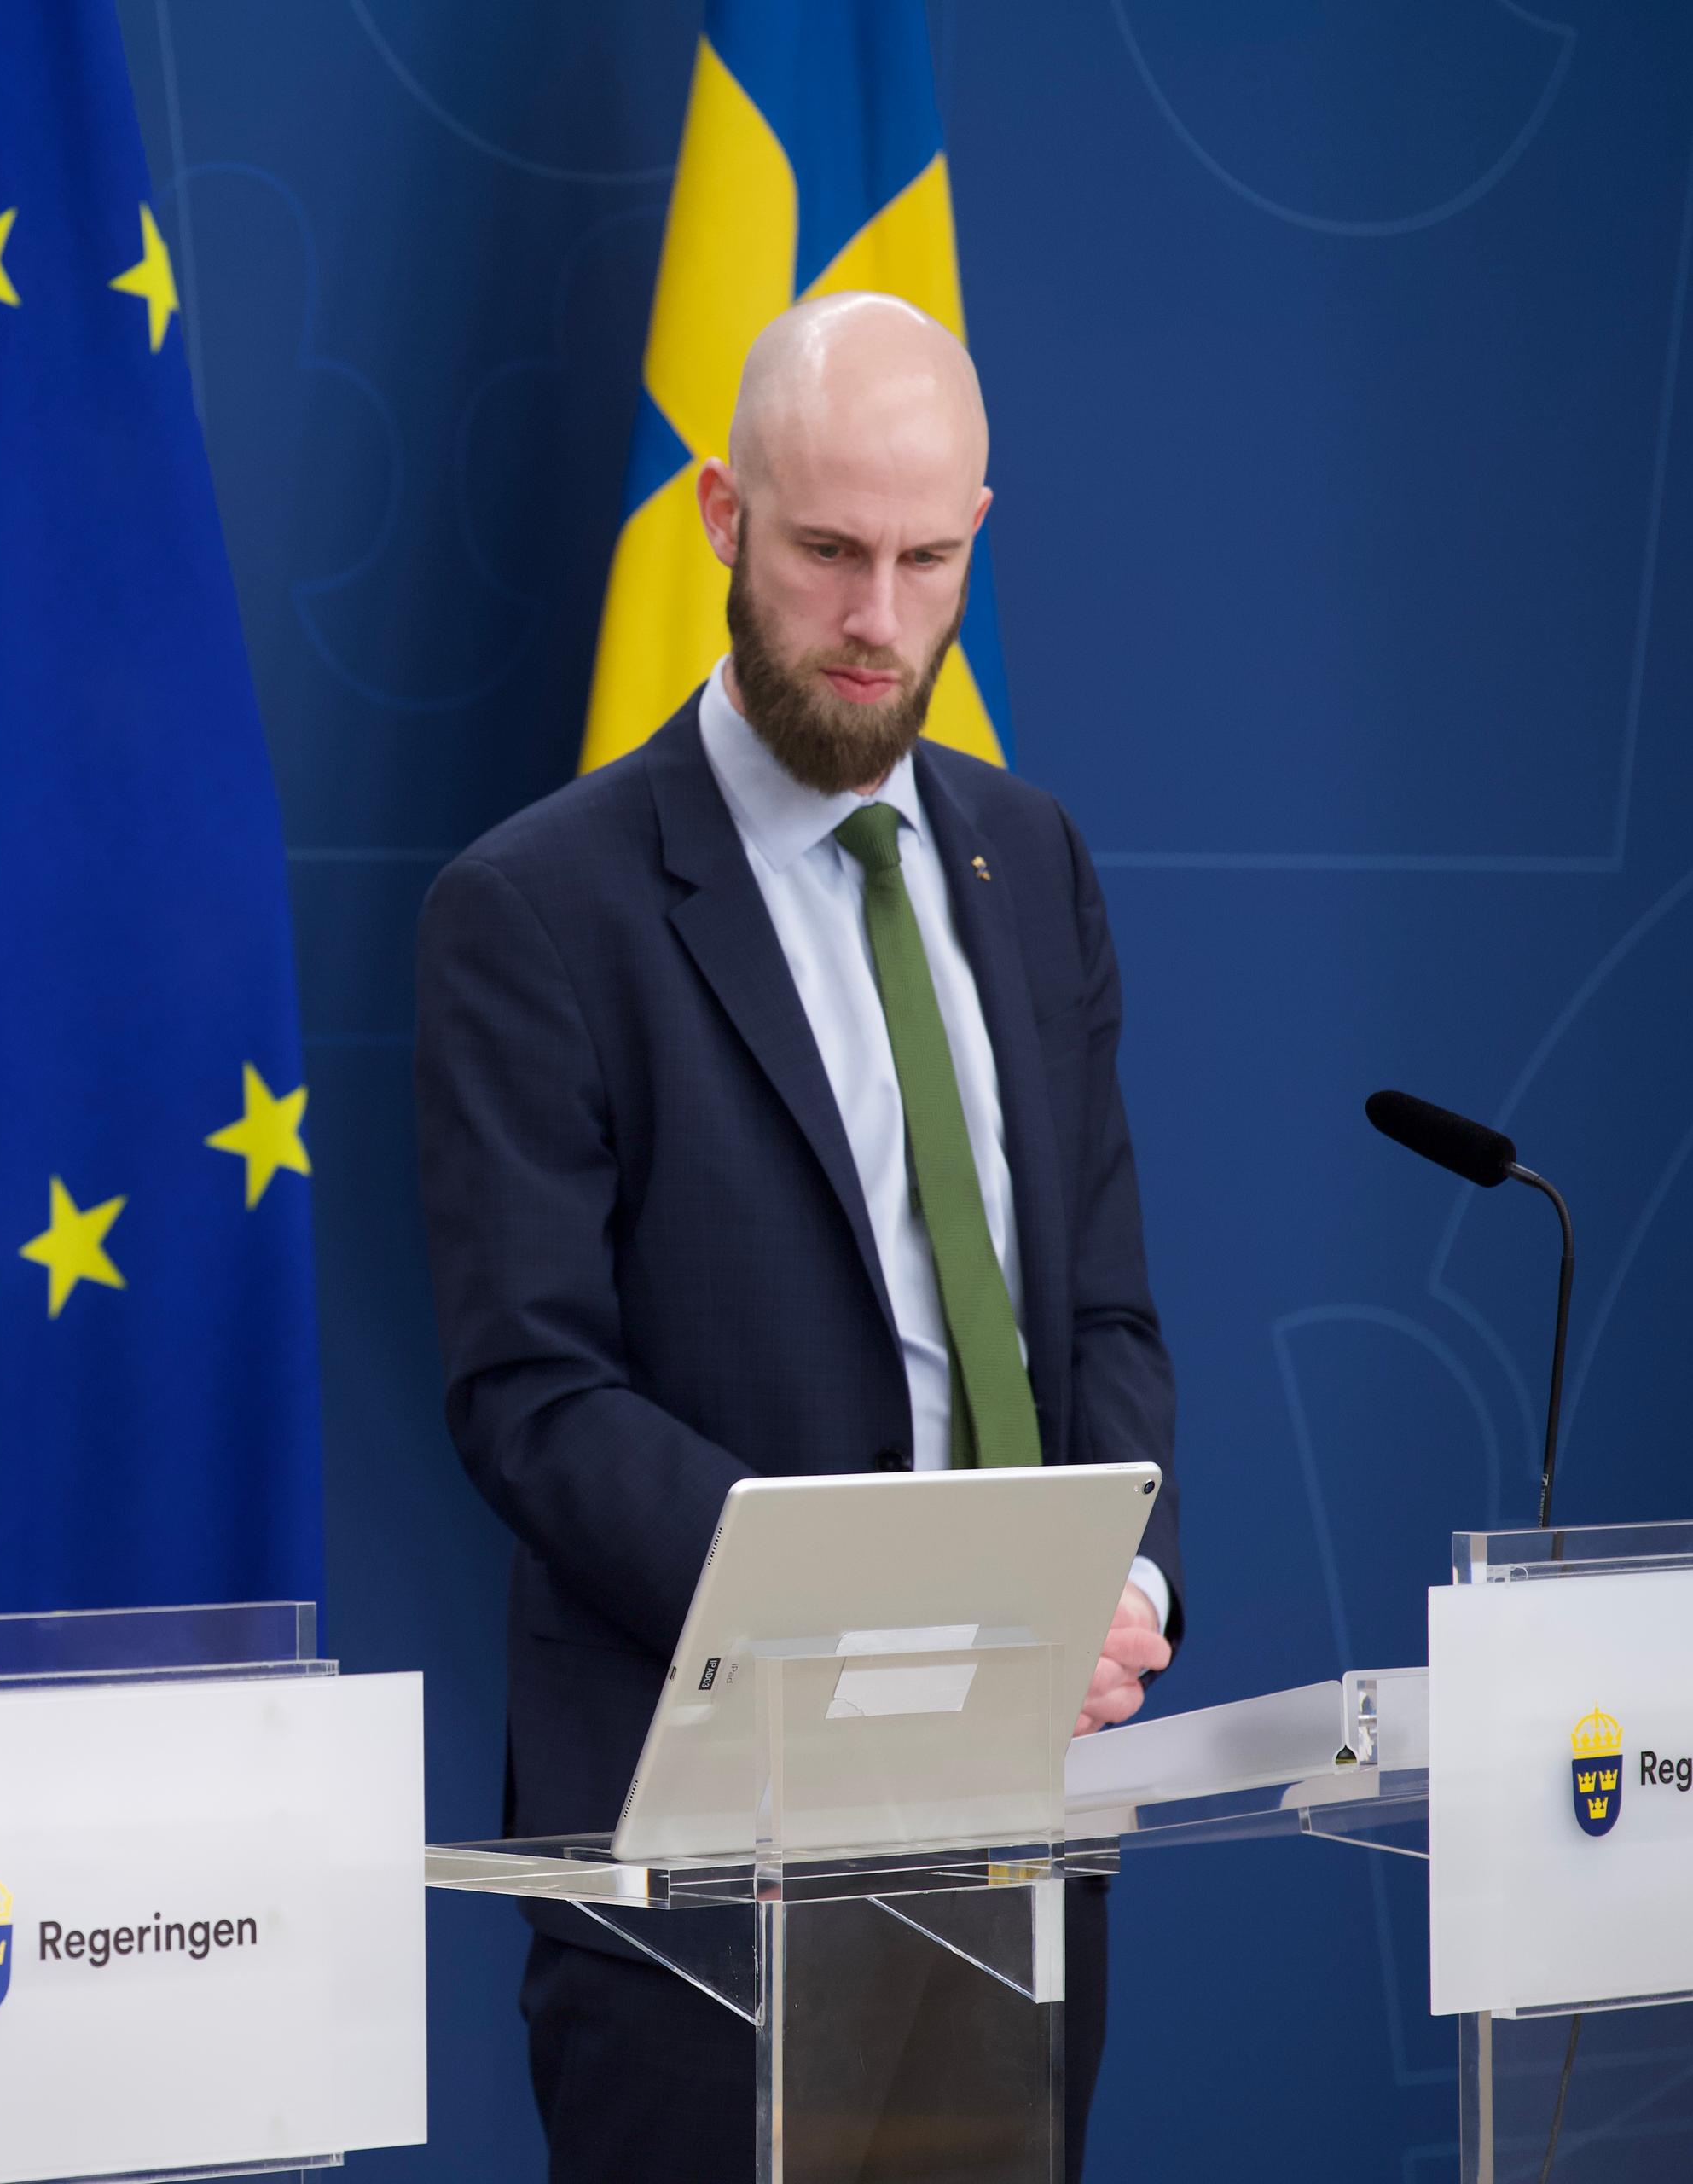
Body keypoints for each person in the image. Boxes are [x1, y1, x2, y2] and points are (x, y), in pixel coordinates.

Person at [412, 293, 1185, 2182]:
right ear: (720, 514)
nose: (874, 618)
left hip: (1018, 1825)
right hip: (704, 1857)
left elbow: (1098, 1305)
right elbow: (532, 1390)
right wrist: (881, 1619)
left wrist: (1128, 1575)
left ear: (976, 533)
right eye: (830, 550)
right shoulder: (536, 906)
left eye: (927, 560)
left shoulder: (1035, 855)